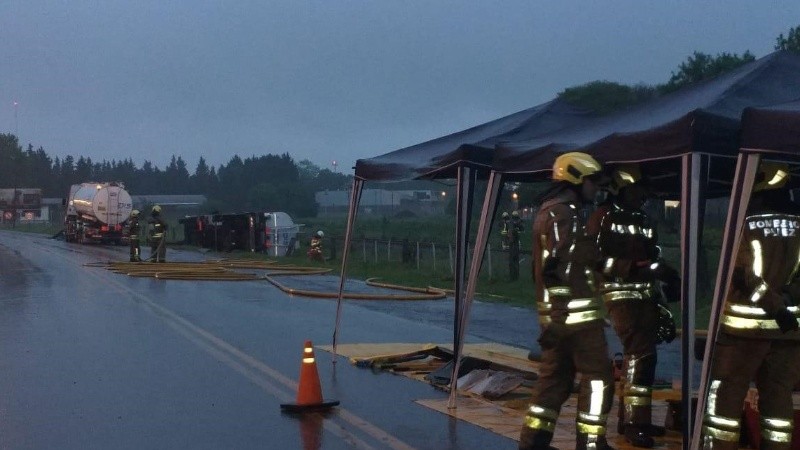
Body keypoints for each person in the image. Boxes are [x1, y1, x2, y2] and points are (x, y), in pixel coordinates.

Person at [701, 162, 800, 450]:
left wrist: (774, 306)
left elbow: (743, 275)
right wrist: (787, 303)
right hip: (787, 332)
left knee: (725, 397)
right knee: (778, 401)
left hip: (742, 332)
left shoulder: (745, 221)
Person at [519, 152, 615, 450]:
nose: (595, 190)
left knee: (554, 382)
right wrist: (561, 316)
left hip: (559, 319)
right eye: (592, 183)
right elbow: (560, 268)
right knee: (598, 378)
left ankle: (533, 442)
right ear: (576, 179)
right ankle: (591, 442)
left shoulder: (550, 212)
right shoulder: (565, 215)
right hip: (576, 320)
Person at [587, 165, 680, 448]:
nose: (643, 195)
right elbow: (593, 258)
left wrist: (666, 274)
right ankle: (634, 423)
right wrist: (629, 268)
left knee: (644, 358)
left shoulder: (643, 218)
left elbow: (652, 254)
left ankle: (632, 419)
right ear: (623, 188)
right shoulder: (603, 216)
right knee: (640, 356)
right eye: (638, 189)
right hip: (620, 294)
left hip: (645, 294)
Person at [509, 210, 524, 281]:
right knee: (514, 261)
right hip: (514, 244)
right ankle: (514, 276)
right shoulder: (515, 224)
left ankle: (514, 276)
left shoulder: (516, 224)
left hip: (515, 243)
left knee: (514, 261)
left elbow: (521, 230)